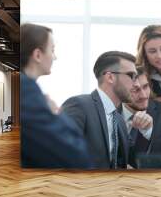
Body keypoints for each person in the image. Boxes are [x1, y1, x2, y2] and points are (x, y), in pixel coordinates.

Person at [20, 23, 93, 168]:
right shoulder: (28, 90)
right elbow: (74, 154)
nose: (55, 57)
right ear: (38, 55)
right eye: (52, 50)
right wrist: (57, 114)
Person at [61, 51, 138, 169]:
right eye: (131, 76)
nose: (136, 83)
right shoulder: (79, 105)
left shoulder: (119, 121)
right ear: (110, 77)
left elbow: (130, 161)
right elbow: (59, 152)